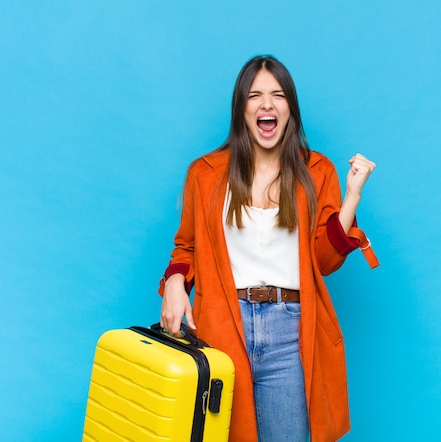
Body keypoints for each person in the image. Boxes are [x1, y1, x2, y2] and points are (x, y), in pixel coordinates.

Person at [158, 55, 378, 442]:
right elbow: (186, 247)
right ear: (241, 108)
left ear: (289, 108)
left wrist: (352, 198)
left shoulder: (317, 171)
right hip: (222, 327)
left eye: (278, 95)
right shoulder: (205, 174)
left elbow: (325, 261)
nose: (266, 104)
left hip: (289, 331)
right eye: (255, 95)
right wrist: (175, 286)